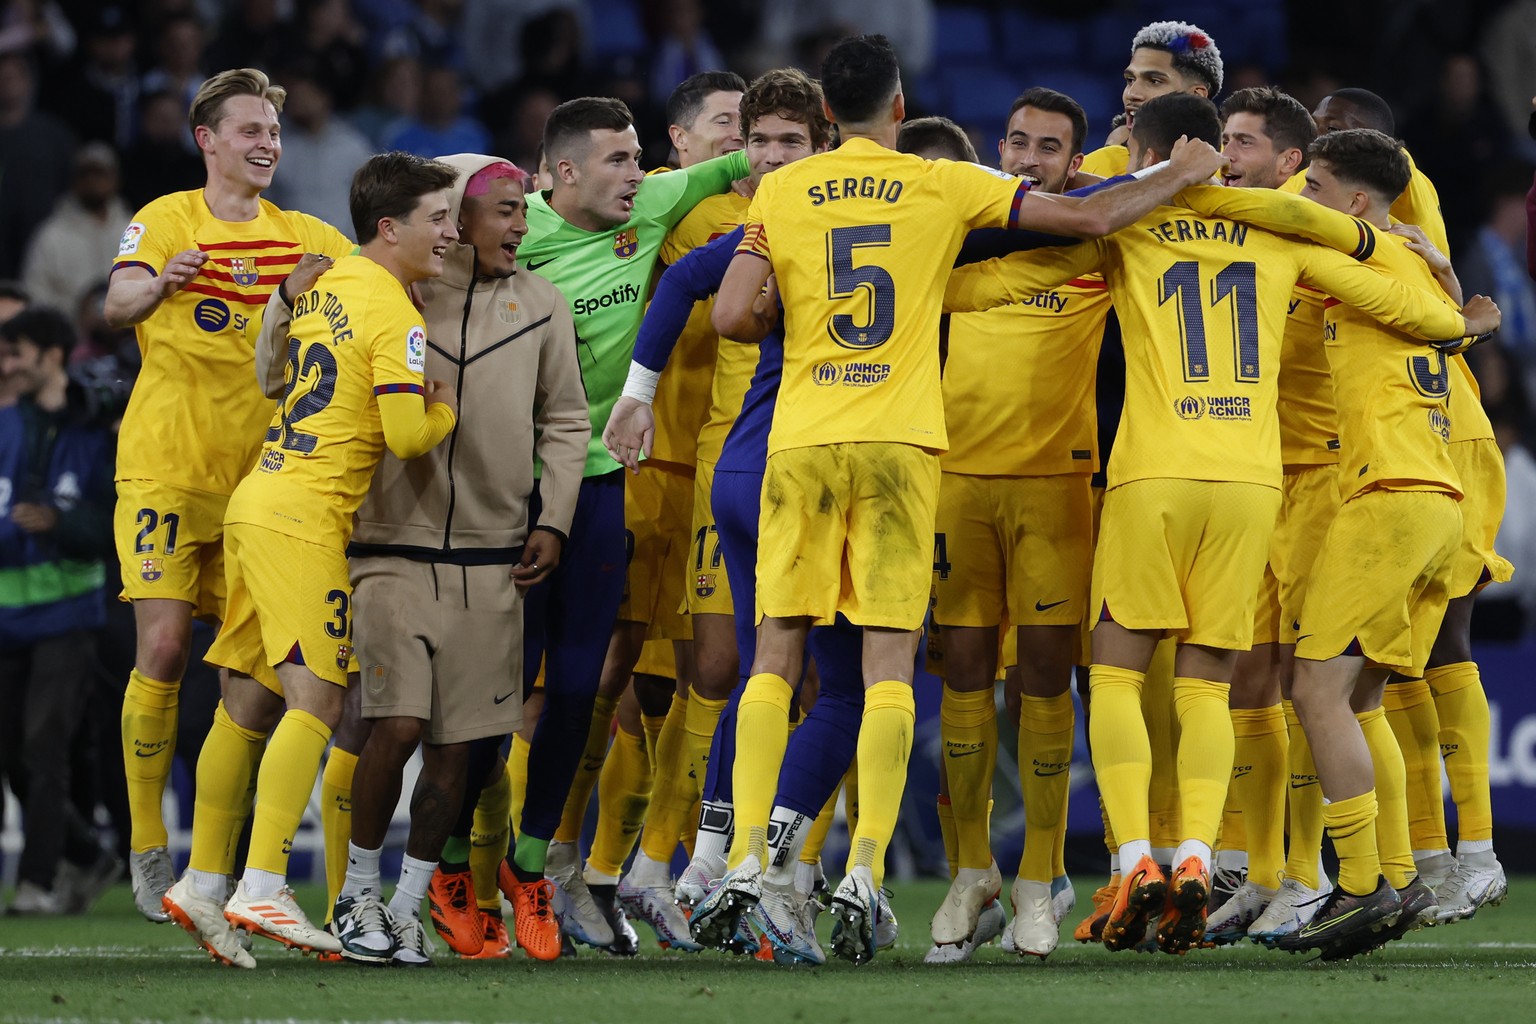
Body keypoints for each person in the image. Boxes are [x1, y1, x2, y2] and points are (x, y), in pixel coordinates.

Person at [708, 35, 1226, 965]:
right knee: (890, 669)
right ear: (900, 110)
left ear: (826, 117)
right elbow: (1081, 221)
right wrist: (1181, 175)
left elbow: (731, 314)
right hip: (903, 448)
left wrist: (795, 310)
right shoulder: (941, 186)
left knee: (777, 657)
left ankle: (746, 858)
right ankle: (866, 863)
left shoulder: (781, 190)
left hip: (799, 440)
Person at [943, 92, 1489, 958]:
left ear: (1151, 156)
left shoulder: (1123, 225)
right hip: (1250, 483)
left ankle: (1135, 861)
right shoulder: (1279, 234)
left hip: (1153, 474)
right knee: (1208, 685)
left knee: (1118, 674)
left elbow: (1003, 282)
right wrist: (1463, 319)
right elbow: (1402, 306)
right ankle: (1200, 854)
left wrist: (926, 286)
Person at [160, 151, 460, 969]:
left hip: (261, 497)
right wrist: (445, 410)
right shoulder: (395, 311)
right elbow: (405, 435)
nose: (452, 233)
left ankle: (201, 880)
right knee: (319, 699)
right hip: (304, 517)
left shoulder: (320, 285)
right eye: (439, 218)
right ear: (390, 228)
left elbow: (270, 377)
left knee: (250, 703)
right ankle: (263, 881)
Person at [489, 95, 751, 941]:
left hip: (623, 473)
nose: (638, 176)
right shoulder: (513, 222)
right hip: (518, 481)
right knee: (513, 691)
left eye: (639, 160)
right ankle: (476, 862)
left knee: (618, 680)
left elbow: (757, 162)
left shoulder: (668, 201)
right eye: (621, 160)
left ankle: (574, 868)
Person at [316, 155, 589, 966]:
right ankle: (356, 893)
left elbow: (568, 420)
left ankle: (405, 905)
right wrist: (284, 304)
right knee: (394, 723)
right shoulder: (388, 285)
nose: (522, 225)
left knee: (461, 752)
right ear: (454, 217)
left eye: (523, 211)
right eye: (504, 211)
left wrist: (558, 518)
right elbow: (292, 367)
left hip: (494, 558)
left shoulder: (541, 303)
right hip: (387, 547)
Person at [605, 66, 843, 965]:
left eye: (788, 140)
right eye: (754, 137)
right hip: (728, 461)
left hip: (827, 460)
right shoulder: (695, 213)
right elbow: (649, 263)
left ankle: (766, 865)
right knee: (719, 666)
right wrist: (638, 392)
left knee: (809, 679)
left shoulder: (820, 212)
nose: (766, 154)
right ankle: (679, 863)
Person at [105, 67, 353, 924]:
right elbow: (116, 300)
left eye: (273, 132)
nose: (266, 144)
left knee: (254, 678)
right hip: (167, 467)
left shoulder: (308, 235)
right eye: (248, 130)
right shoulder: (168, 218)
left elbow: (377, 292)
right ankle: (146, 842)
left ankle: (225, 873)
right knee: (166, 647)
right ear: (205, 140)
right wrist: (162, 283)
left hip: (267, 488)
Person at [924, 87, 1112, 963]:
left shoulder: (1098, 250)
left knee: (1042, 684)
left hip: (1055, 491)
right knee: (961, 677)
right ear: (998, 149)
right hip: (955, 482)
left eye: (1050, 148)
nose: (1030, 158)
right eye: (1019, 142)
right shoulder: (951, 235)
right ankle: (971, 873)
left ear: (1075, 166)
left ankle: (1039, 878)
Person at [1201, 85, 1326, 945]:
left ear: (1290, 163)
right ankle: (1264, 871)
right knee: (1251, 680)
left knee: (1312, 686)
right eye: (1224, 141)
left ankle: (1319, 874)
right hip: (1250, 478)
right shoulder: (1228, 229)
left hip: (1323, 479)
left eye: (1243, 143)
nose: (1228, 156)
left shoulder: (1308, 229)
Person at [0, 306, 120, 916]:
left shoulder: (97, 431)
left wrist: (61, 522)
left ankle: (37, 883)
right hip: (7, 615)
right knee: (13, 752)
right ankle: (87, 852)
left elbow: (115, 523)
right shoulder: (5, 426)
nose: (6, 365)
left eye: (15, 352)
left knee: (43, 746)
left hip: (69, 614)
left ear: (51, 356)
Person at [22, 143, 132, 315]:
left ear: (115, 179)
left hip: (128, 333)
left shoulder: (133, 229)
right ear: (74, 180)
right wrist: (80, 313)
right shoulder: (51, 235)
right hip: (69, 336)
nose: (92, 181)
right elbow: (35, 294)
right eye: (85, 174)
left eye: (100, 173)